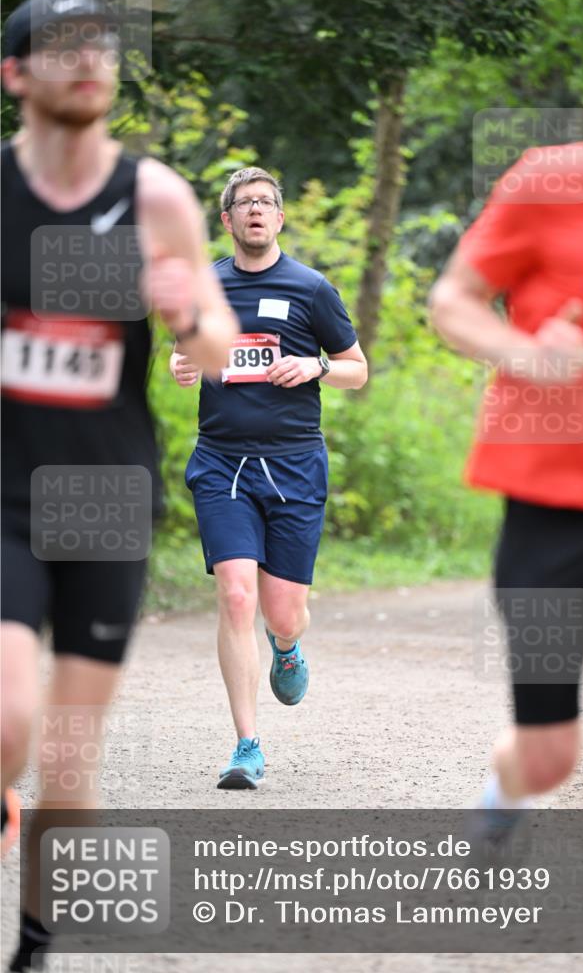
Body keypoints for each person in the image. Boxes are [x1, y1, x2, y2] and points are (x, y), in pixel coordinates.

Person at [1, 0, 237, 971]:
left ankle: (37, 944)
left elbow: (221, 351)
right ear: (14, 75)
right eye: (63, 46)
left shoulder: (157, 199)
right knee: (10, 711)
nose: (90, 57)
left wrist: (185, 313)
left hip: (104, 493)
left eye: (102, 42)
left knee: (68, 758)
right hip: (2, 494)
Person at [430, 0, 583, 973]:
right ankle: (503, 793)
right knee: (550, 754)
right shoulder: (552, 180)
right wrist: (524, 353)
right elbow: (452, 302)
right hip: (550, 507)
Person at [170, 166, 367, 789]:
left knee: (283, 613)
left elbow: (356, 370)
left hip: (292, 462)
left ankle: (286, 646)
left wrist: (313, 366)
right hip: (222, 460)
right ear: (226, 220)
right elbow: (190, 349)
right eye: (244, 203)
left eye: (267, 202)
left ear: (279, 218)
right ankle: (246, 746)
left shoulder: (311, 289)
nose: (256, 210)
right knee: (235, 595)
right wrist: (183, 362)